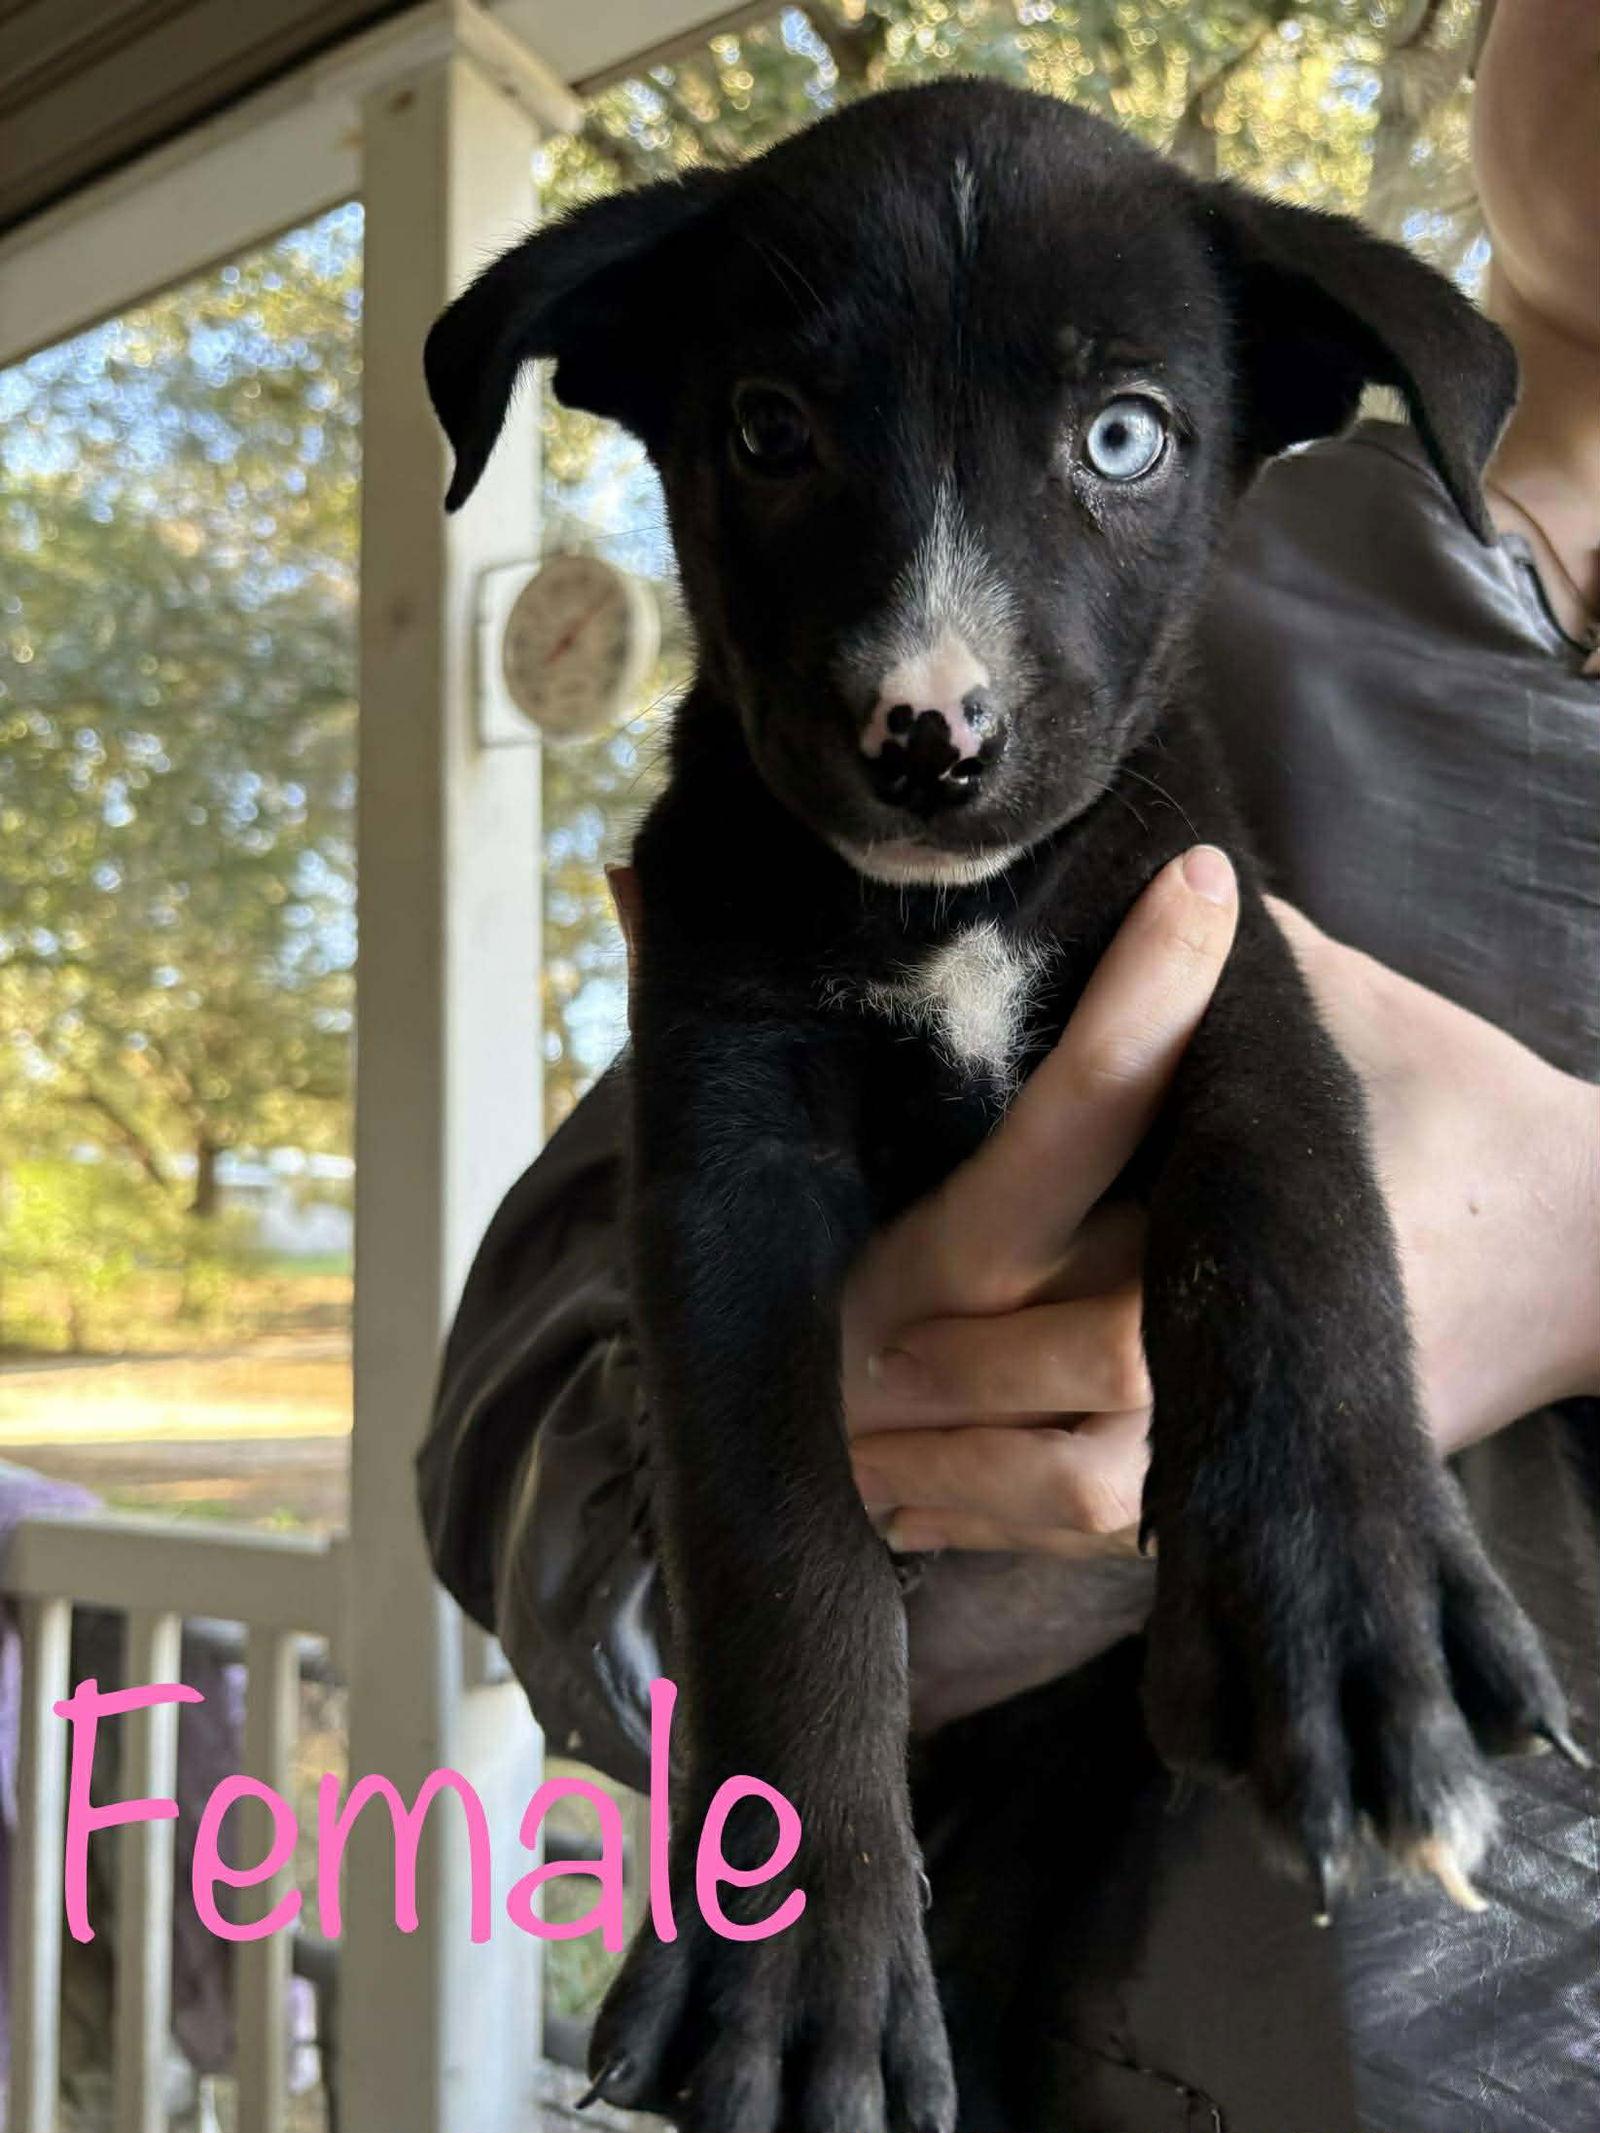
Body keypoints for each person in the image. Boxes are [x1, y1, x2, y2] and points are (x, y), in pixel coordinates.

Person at [418, 1, 1599, 2123]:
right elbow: (529, 1472)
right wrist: (846, 1525)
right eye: (783, 442)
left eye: (1117, 444)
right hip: (1064, 2029)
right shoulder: (1201, 638)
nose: (924, 678)